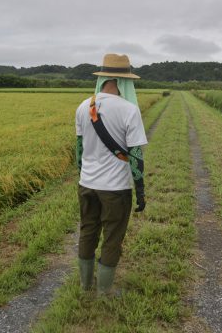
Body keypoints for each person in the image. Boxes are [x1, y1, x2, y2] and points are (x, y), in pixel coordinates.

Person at [75, 53, 147, 295]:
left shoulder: (84, 107)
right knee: (112, 238)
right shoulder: (129, 110)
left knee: (87, 230)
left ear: (104, 77)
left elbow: (79, 150)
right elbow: (136, 156)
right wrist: (140, 190)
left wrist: (84, 175)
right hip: (115, 189)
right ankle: (104, 292)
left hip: (86, 184)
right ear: (124, 81)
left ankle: (85, 286)